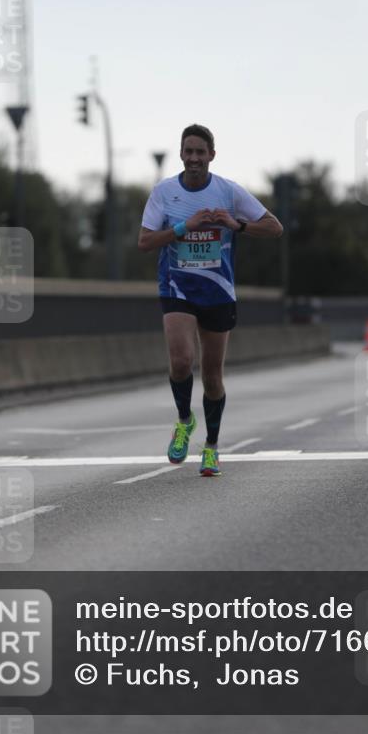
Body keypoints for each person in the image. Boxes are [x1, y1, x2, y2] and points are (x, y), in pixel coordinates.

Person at [138, 124, 283, 476]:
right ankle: (184, 421)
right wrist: (183, 228)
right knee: (181, 362)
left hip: (218, 292)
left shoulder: (228, 191)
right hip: (177, 288)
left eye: (200, 152)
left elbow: (275, 227)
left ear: (212, 156)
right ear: (181, 154)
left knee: (212, 376)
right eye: (188, 151)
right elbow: (145, 241)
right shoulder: (164, 192)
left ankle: (212, 447)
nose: (194, 158)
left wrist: (237, 225)